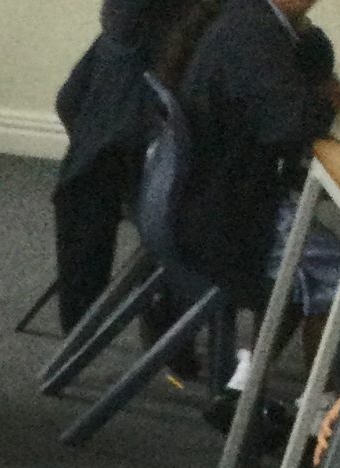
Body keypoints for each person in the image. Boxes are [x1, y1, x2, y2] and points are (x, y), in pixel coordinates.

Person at [177, 0, 340, 387]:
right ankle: (321, 410)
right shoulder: (255, 35)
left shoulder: (249, 18)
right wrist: (327, 100)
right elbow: (289, 125)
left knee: (309, 269)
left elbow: (290, 97)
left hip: (213, 198)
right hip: (229, 218)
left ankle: (245, 382)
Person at [51, 2, 222, 330]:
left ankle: (85, 328)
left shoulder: (125, 34)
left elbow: (69, 101)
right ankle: (159, 310)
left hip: (104, 164)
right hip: (138, 172)